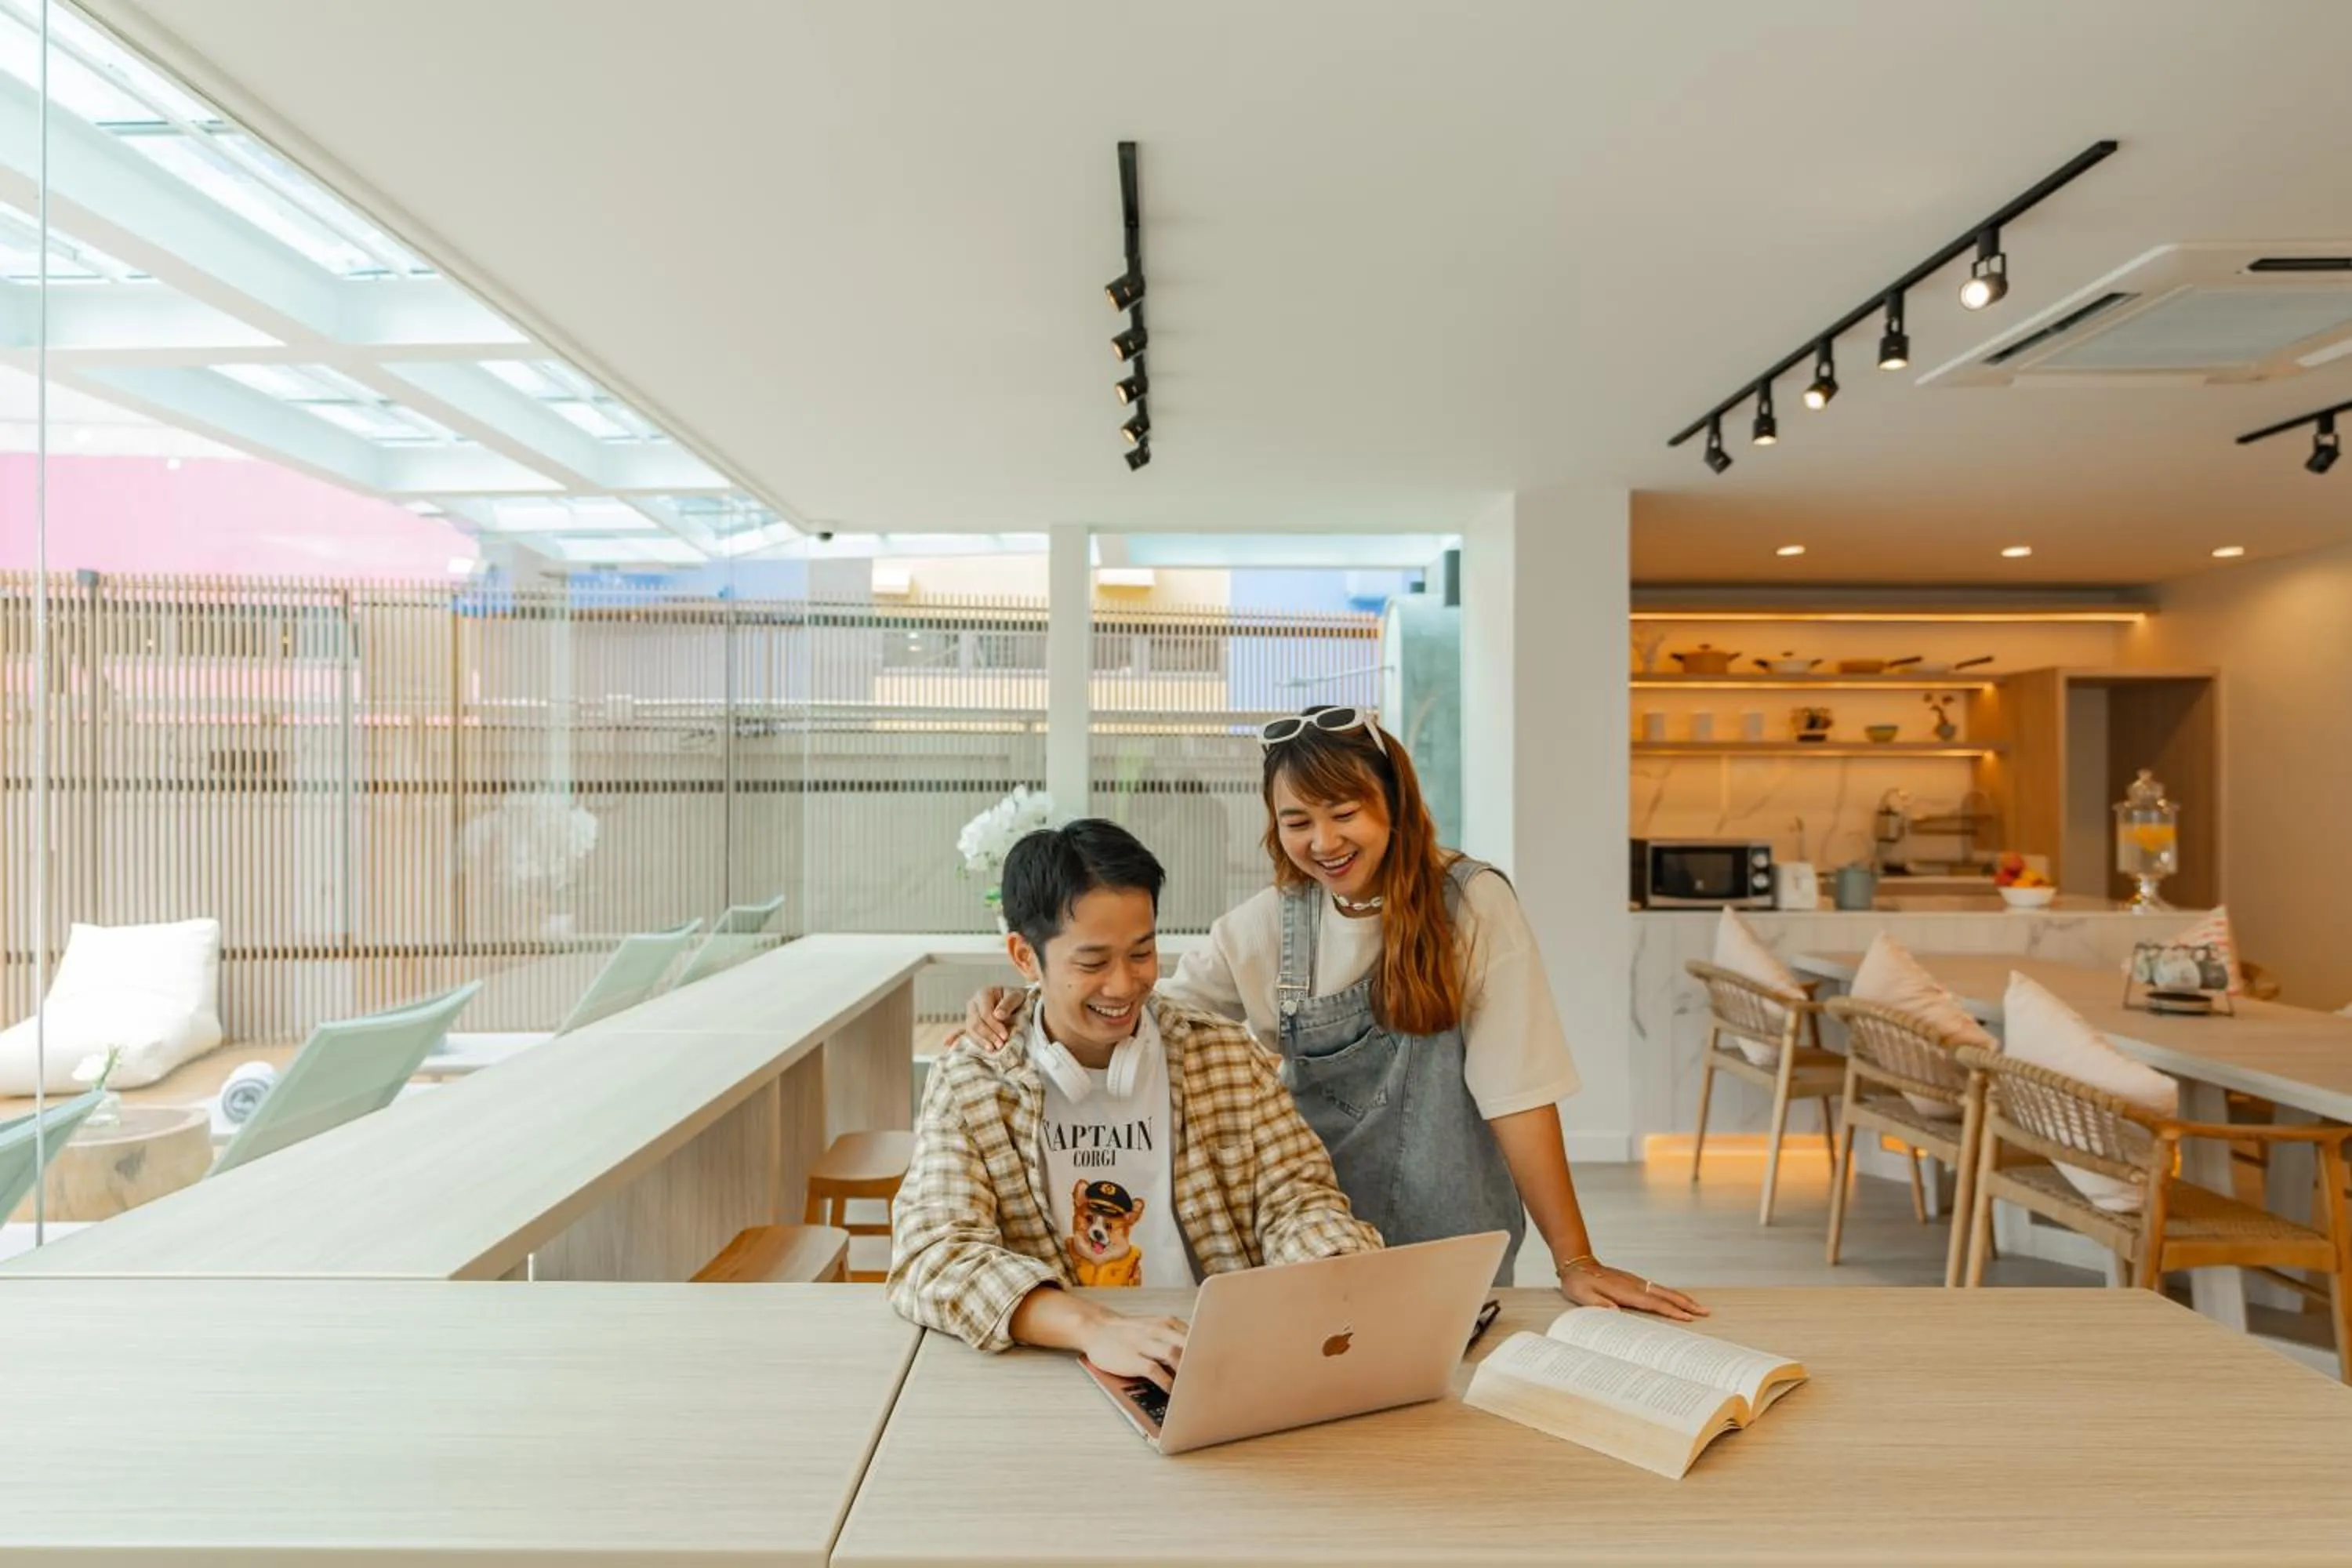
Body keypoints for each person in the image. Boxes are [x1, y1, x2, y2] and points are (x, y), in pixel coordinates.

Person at [964, 706, 1703, 1321]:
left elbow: (1521, 1094)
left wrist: (1575, 1259)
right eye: (1296, 821)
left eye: (1344, 812)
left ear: (1394, 805)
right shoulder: (1265, 928)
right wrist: (1023, 1002)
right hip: (1313, 1249)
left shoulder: (1473, 905)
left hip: (1455, 1242)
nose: (1323, 841)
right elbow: (1141, 1013)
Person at [889, 817, 1381, 1388]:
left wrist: (1329, 1268)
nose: (1124, 986)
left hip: (1209, 1364)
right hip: (1050, 1372)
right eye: (1093, 963)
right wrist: (1095, 1329)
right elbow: (935, 1254)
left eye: (1142, 953)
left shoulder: (1218, 1053)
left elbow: (1297, 1198)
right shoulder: (972, 1080)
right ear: (1025, 957)